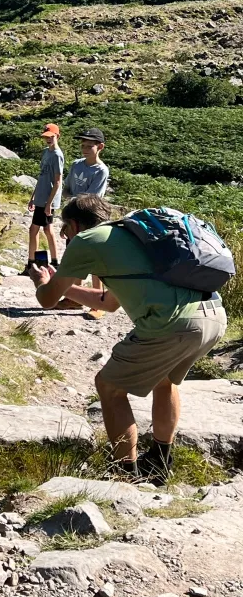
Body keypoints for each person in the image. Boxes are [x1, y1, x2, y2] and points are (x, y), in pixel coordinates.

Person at [29, 195, 227, 484]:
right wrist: (67, 289)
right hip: (212, 316)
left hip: (172, 323)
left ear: (73, 224)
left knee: (108, 387)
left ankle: (125, 474)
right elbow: (108, 302)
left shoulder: (87, 240)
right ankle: (159, 464)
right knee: (165, 382)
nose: (63, 235)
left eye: (64, 228)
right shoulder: (134, 234)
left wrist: (44, 284)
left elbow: (47, 300)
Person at [62, 127, 110, 318]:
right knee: (74, 259)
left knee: (95, 263)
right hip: (72, 219)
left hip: (91, 221)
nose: (85, 148)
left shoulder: (101, 170)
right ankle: (75, 298)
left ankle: (98, 303)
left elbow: (92, 199)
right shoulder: (76, 165)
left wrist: (73, 200)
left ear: (100, 147)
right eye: (83, 145)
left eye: (90, 146)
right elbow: (67, 189)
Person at [22, 123, 64, 275]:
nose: (48, 139)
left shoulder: (58, 155)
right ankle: (48, 262)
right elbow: (41, 177)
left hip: (48, 198)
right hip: (40, 197)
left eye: (51, 137)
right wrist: (33, 197)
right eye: (46, 137)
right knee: (44, 229)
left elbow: (58, 181)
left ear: (57, 136)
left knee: (38, 229)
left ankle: (35, 264)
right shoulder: (46, 152)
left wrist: (49, 204)